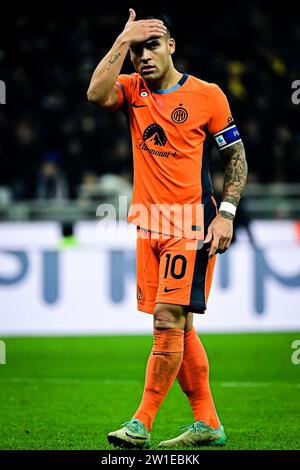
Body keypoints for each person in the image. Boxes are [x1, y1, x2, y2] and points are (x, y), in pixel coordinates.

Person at [87, 8, 248, 449]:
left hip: (190, 224)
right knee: (181, 329)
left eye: (152, 45)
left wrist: (227, 213)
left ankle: (141, 423)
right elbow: (95, 94)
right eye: (137, 50)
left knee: (166, 321)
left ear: (171, 46)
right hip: (149, 226)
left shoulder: (207, 95)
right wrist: (123, 37)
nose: (143, 57)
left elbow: (236, 158)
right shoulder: (131, 89)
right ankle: (208, 424)